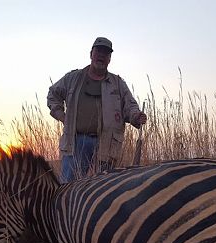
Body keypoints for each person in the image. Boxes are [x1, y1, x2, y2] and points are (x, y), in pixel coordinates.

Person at [47, 37, 147, 183]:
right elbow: (53, 94)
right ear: (91, 54)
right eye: (98, 51)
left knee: (104, 189)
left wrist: (136, 116)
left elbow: (130, 106)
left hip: (107, 145)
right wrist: (62, 116)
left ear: (109, 59)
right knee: (68, 187)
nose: (101, 55)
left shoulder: (117, 83)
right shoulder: (73, 78)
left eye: (106, 53)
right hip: (76, 143)